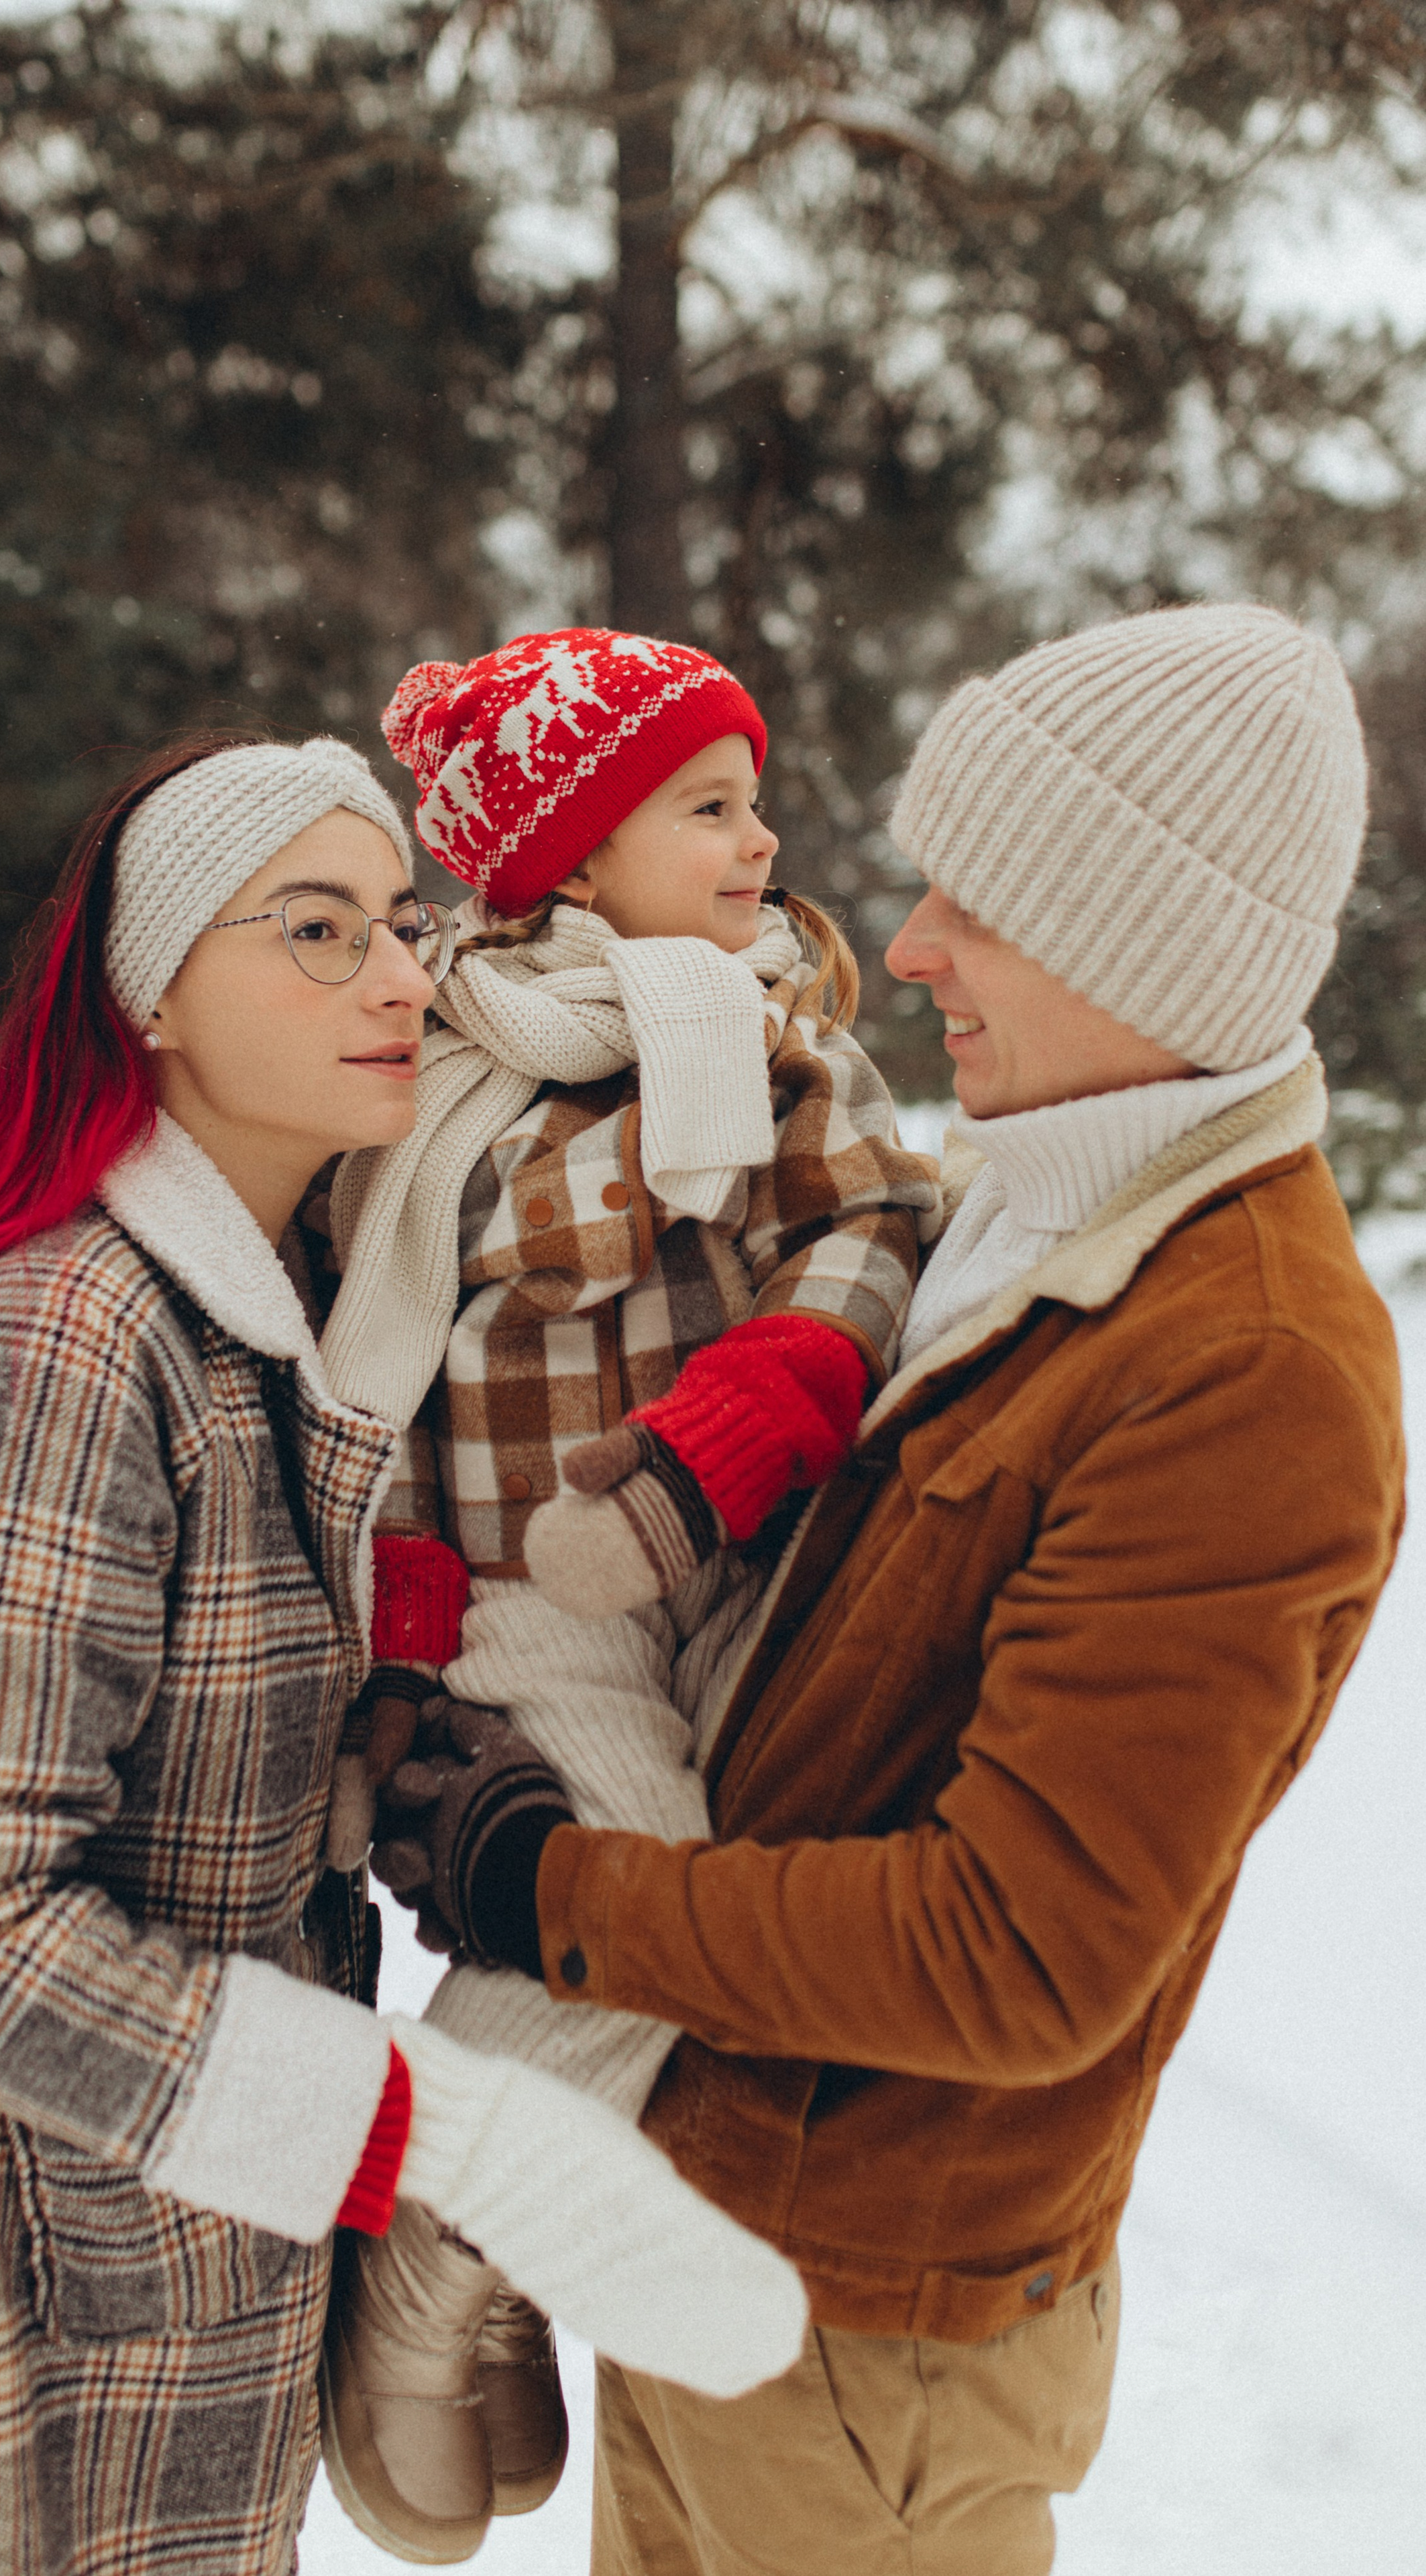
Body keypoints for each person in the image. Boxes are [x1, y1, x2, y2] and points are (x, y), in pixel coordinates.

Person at [375, 604, 1407, 2574]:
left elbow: (1010, 1950)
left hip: (872, 2337)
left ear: (1137, 942)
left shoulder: (1246, 1365)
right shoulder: (1035, 1195)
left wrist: (544, 1890)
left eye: (980, 906)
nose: (909, 947)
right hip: (719, 2222)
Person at [0, 734, 806, 2576]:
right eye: (313, 931)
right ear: (153, 998)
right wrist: (437, 2135)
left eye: (396, 921)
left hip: (158, 2323)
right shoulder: (60, 1350)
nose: (396, 975)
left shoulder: (276, 1328)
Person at [309, 628, 940, 2562]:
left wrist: (727, 1437)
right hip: (523, 1596)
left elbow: (871, 1235)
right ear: (577, 855)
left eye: (755, 798)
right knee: (641, 1896)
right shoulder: (435, 1071)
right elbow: (371, 1364)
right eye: (709, 806)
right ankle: (434, 2239)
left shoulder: (770, 1036)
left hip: (714, 1562)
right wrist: (398, 1641)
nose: (764, 840)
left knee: (700, 1918)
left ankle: (476, 2248)